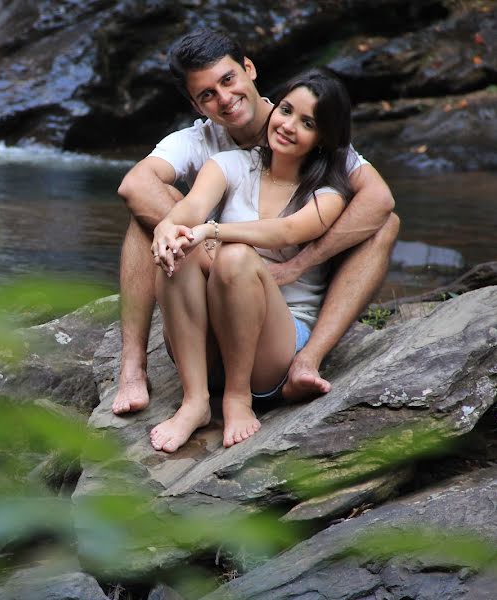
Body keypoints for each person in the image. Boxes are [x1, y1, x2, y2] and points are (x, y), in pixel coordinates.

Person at [111, 30, 398, 420]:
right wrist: (191, 237)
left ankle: (307, 360)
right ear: (195, 104)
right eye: (207, 95)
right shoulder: (209, 148)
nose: (224, 99)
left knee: (382, 223)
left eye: (228, 80)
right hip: (215, 280)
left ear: (249, 69)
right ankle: (133, 368)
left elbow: (379, 201)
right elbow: (136, 184)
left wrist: (297, 265)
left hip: (277, 306)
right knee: (150, 220)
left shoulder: (307, 129)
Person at [151, 69, 355, 451]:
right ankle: (195, 401)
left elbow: (286, 232)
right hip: (209, 342)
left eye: (307, 122)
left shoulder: (328, 194)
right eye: (286, 110)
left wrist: (211, 231)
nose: (288, 125)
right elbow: (192, 207)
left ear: (325, 137)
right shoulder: (230, 165)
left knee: (236, 259)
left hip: (274, 348)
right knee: (180, 247)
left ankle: (238, 399)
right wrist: (169, 226)